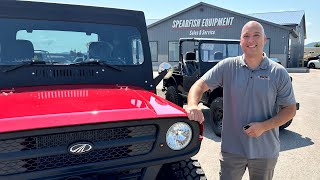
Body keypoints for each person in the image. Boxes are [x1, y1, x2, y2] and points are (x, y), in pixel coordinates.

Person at [186, 21, 297, 180]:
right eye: (246, 36)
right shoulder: (228, 66)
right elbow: (200, 85)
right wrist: (192, 105)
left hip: (264, 153)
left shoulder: (278, 72)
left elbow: (290, 109)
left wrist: (264, 126)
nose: (251, 40)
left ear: (264, 40)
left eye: (256, 35)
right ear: (241, 41)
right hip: (232, 150)